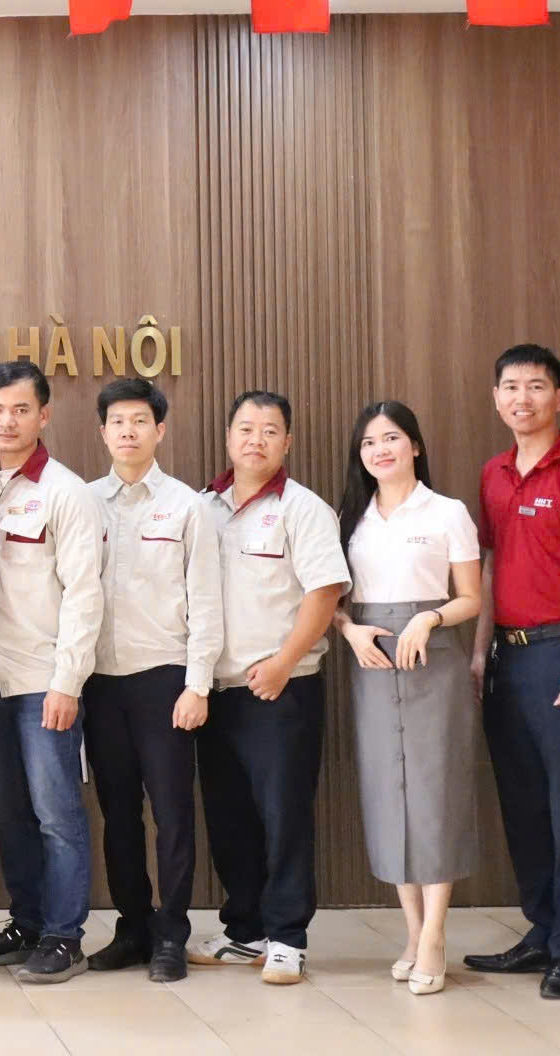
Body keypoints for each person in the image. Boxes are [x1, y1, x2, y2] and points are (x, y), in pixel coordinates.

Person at [464, 344, 560, 1000]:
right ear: (496, 398)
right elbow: (491, 566)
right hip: (509, 656)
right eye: (510, 386)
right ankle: (543, 929)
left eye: (535, 386)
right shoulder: (494, 474)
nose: (521, 398)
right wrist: (480, 652)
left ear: (559, 397)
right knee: (524, 803)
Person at [192, 391, 349, 987]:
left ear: (287, 442)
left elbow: (324, 592)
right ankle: (245, 931)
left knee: (283, 816)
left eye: (269, 430)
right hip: (217, 689)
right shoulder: (202, 507)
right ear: (228, 437)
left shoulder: (303, 509)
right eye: (245, 428)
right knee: (229, 815)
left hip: (281, 689)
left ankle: (287, 938)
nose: (255, 439)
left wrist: (283, 663)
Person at [0, 362, 106, 985]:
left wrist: (68, 681)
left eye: (21, 409)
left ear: (43, 416)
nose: (7, 421)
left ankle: (64, 935)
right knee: (8, 814)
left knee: (57, 815)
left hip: (43, 678)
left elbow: (85, 594)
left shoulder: (66, 492)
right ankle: (27, 921)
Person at [332, 401, 482, 996]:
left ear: (415, 445)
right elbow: (329, 599)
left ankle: (437, 935)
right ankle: (413, 932)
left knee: (433, 790)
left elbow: (471, 597)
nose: (381, 450)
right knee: (388, 793)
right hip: (371, 662)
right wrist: (348, 630)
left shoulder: (447, 512)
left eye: (392, 438)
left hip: (432, 659)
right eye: (369, 442)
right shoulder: (350, 517)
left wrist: (430, 618)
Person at [85, 377, 220, 984]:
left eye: (140, 421)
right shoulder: (84, 502)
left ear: (160, 430)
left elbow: (206, 601)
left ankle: (171, 932)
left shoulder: (188, 506)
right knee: (116, 814)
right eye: (117, 421)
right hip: (100, 681)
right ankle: (132, 927)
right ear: (103, 431)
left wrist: (198, 684)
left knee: (172, 814)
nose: (128, 431)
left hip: (165, 678)